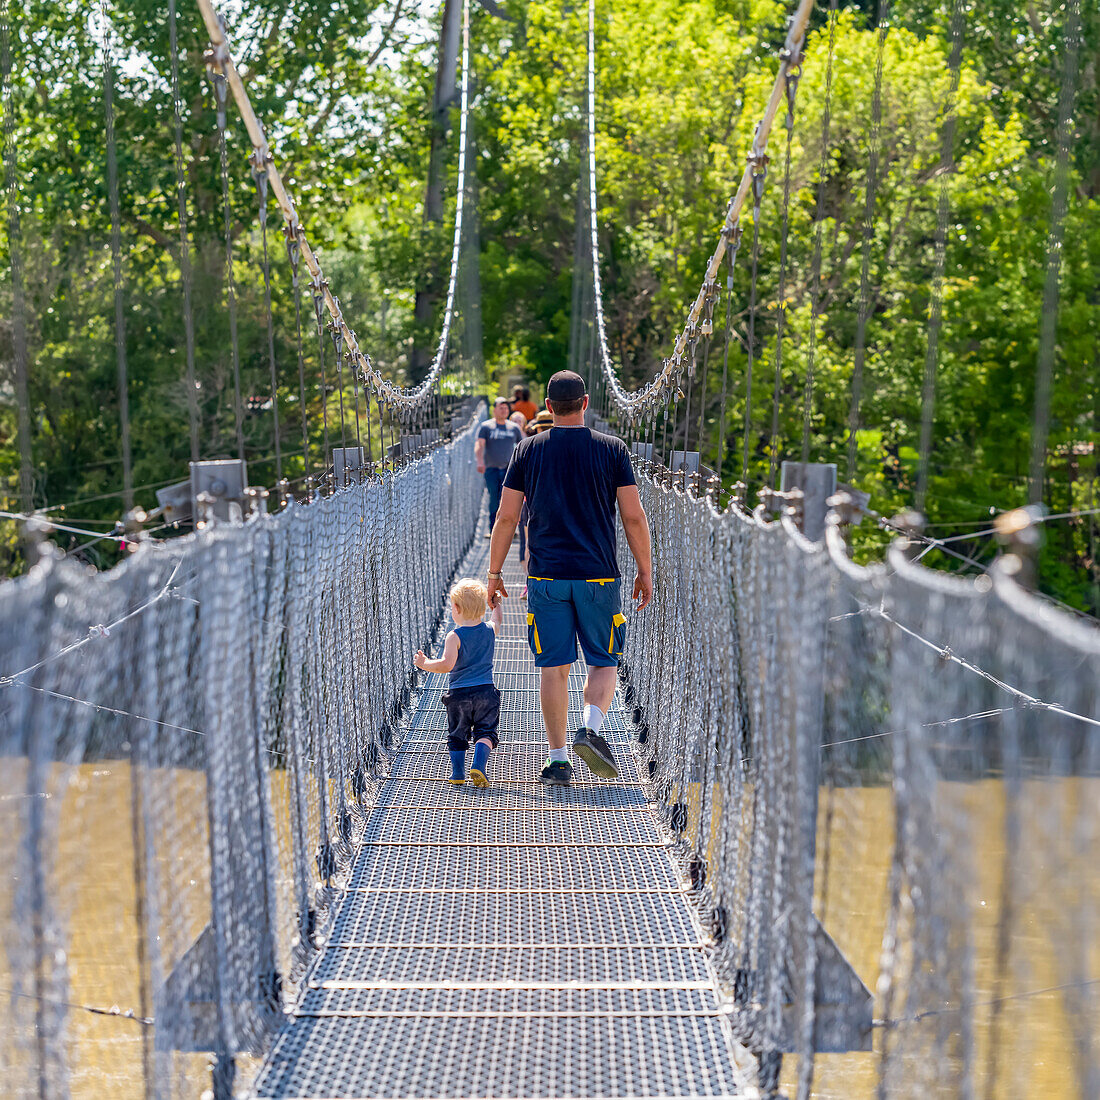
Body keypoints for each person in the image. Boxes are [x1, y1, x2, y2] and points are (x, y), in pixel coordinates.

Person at [486, 370, 653, 787]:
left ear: (547, 405)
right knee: (603, 661)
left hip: (546, 577)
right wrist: (645, 569)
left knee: (554, 668)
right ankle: (590, 728)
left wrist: (493, 573)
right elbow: (633, 517)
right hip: (598, 577)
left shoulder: (527, 451)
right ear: (585, 402)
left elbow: (506, 517)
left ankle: (558, 760)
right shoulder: (613, 449)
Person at [415, 578, 503, 787]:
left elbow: (446, 665)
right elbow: (497, 620)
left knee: (457, 733)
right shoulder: (490, 630)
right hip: (486, 693)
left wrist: (425, 663)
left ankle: (457, 773)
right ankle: (479, 766)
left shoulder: (454, 636)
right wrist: (497, 605)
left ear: (456, 608)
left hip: (459, 695)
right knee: (486, 732)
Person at [475, 398, 523, 536]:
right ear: (494, 410)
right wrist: (479, 461)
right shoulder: (486, 427)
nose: (504, 411)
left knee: (509, 501)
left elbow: (522, 446)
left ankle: (510, 531)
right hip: (492, 470)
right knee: (494, 500)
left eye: (506, 408)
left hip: (509, 470)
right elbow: (479, 445)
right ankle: (493, 531)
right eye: (501, 408)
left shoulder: (514, 428)